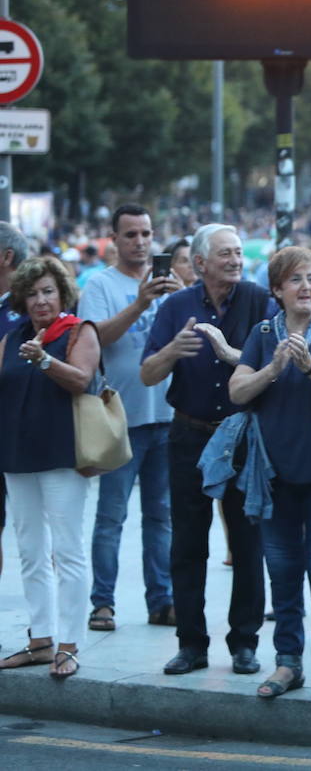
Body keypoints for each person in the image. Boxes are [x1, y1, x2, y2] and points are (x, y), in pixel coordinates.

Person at [141, 223, 272, 676]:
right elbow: (147, 373)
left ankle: (244, 644)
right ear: (199, 263)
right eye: (225, 253)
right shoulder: (176, 307)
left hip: (242, 434)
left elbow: (276, 360)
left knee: (248, 542)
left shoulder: (259, 300)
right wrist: (173, 350)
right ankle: (191, 644)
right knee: (188, 542)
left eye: (238, 252)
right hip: (189, 434)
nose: (235, 260)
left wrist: (236, 355)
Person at [229, 246, 311, 701]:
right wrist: (275, 366)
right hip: (274, 474)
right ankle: (288, 662)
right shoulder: (263, 333)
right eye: (296, 280)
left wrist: (310, 366)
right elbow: (238, 390)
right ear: (277, 290)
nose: (306, 287)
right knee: (282, 570)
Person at [80, 204, 181, 633]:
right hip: (120, 420)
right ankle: (102, 603)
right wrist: (140, 304)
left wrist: (181, 297)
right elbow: (96, 338)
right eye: (131, 235)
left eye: (146, 234)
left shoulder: (171, 286)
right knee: (111, 516)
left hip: (167, 416)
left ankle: (162, 600)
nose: (140, 242)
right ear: (115, 239)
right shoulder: (100, 285)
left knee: (161, 516)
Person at [0, 256, 100, 678]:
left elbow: (81, 380)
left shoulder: (79, 330)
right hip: (16, 455)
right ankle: (41, 640)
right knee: (29, 550)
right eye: (32, 293)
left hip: (62, 454)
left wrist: (44, 360)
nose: (40, 300)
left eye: (48, 292)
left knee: (67, 550)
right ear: (21, 299)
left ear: (62, 294)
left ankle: (70, 644)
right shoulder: (12, 337)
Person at [0, 219, 30, 590]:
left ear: (6, 257)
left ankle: (52, 616)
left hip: (26, 431)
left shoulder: (32, 305)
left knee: (38, 530)